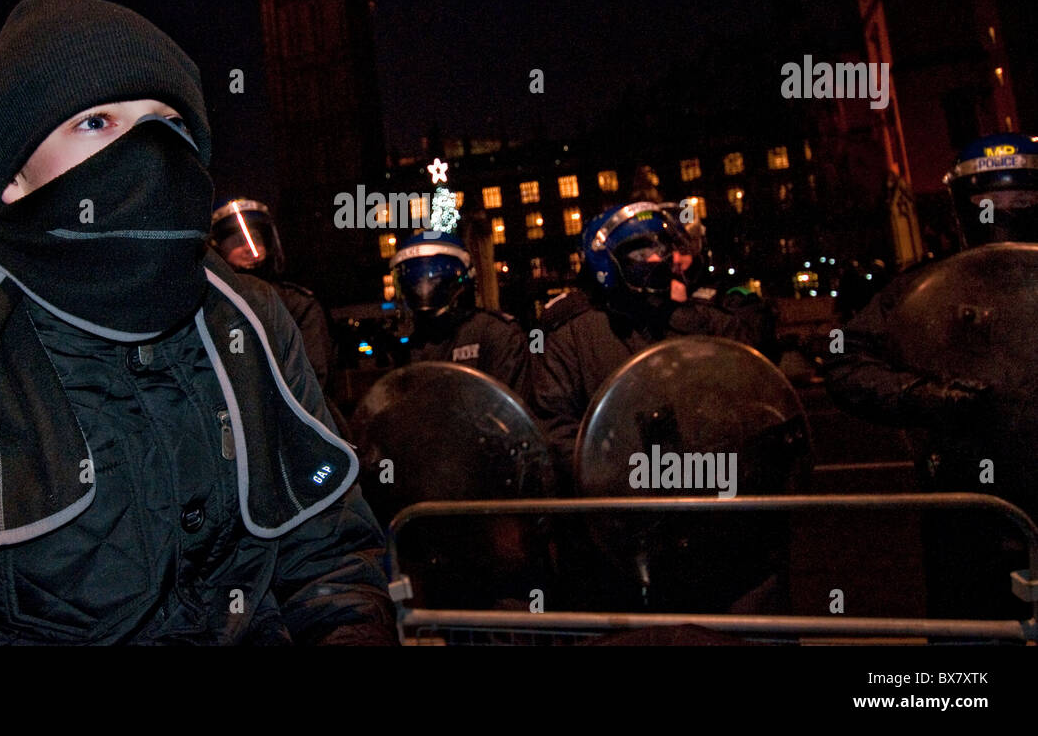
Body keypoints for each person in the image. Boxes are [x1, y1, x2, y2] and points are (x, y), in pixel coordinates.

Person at [0, 0, 396, 645]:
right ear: (14, 174)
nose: (148, 152)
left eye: (167, 122)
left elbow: (331, 558)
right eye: (97, 121)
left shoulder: (255, 328)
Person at [824, 133, 1038, 619]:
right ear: (963, 205)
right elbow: (844, 360)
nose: (1004, 212)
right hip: (965, 509)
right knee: (967, 644)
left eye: (1023, 198)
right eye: (988, 199)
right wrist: (923, 396)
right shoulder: (921, 287)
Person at [532, 200, 777, 490]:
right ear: (607, 262)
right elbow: (556, 430)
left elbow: (750, 363)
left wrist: (684, 315)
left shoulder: (693, 314)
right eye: (641, 251)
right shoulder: (571, 331)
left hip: (704, 488)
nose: (656, 259)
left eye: (661, 249)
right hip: (623, 501)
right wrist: (621, 473)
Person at [209, 197, 337, 395]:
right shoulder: (208, 307)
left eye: (256, 238)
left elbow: (315, 373)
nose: (249, 247)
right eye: (238, 240)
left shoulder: (297, 303)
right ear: (218, 248)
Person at [388, 228, 531, 401]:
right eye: (415, 280)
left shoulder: (495, 334)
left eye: (432, 277)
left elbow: (510, 414)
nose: (422, 288)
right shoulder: (413, 345)